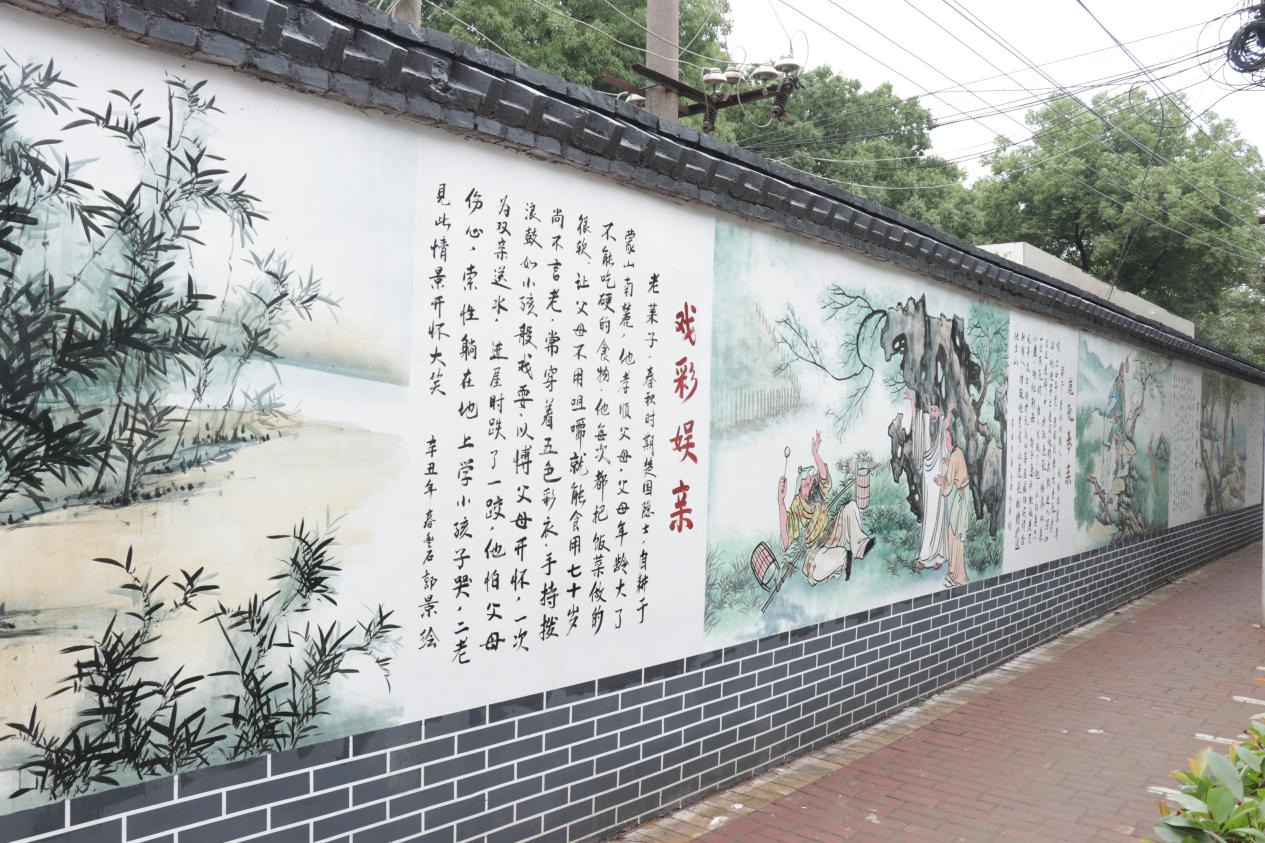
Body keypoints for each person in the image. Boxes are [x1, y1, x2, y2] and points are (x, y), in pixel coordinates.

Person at [776, 431, 875, 585]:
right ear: (800, 489)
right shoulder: (797, 505)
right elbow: (786, 538)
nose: (810, 485)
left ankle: (860, 546)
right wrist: (781, 502)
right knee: (816, 572)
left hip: (832, 532)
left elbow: (823, 476)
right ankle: (844, 556)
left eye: (810, 481)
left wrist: (815, 453)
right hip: (817, 548)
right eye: (806, 484)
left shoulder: (816, 490)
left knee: (850, 507)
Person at [907, 391, 949, 572]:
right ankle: (925, 557)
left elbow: (947, 448)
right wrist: (912, 401)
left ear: (939, 412)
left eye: (936, 410)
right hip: (928, 475)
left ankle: (939, 556)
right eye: (931, 410)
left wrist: (946, 473)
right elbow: (915, 422)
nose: (933, 413)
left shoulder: (942, 426)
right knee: (929, 516)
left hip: (939, 476)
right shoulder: (925, 422)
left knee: (939, 515)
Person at [935, 420, 972, 588]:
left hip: (961, 498)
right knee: (954, 535)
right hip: (963, 495)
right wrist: (947, 465)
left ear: (952, 439)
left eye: (947, 439)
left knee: (955, 537)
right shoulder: (957, 453)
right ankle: (955, 574)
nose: (946, 442)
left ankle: (957, 576)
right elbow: (953, 472)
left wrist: (940, 481)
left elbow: (947, 488)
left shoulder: (955, 456)